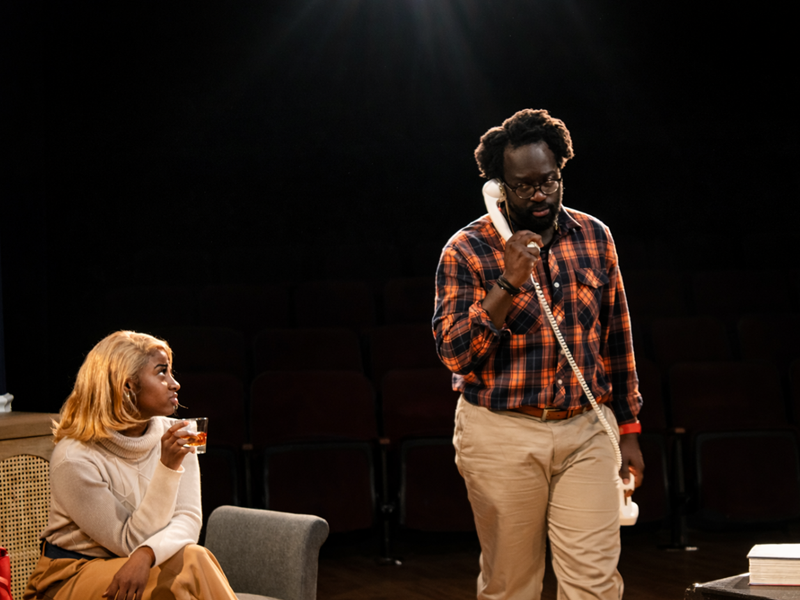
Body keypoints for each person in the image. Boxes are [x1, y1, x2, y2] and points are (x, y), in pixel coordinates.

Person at [433, 109, 645, 600]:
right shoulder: (466, 250)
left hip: (587, 429)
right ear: (499, 188)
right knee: (512, 585)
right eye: (523, 185)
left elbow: (617, 337)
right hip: (502, 431)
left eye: (548, 180)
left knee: (595, 584)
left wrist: (629, 428)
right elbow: (455, 354)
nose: (539, 194)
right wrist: (508, 282)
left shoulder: (595, 237)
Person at [24, 330, 238, 600]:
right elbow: (128, 542)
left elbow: (188, 521)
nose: (175, 384)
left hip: (139, 562)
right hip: (73, 573)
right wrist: (167, 469)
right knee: (189, 569)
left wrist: (147, 554)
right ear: (128, 386)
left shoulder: (177, 434)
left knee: (192, 560)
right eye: (162, 373)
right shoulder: (74, 457)